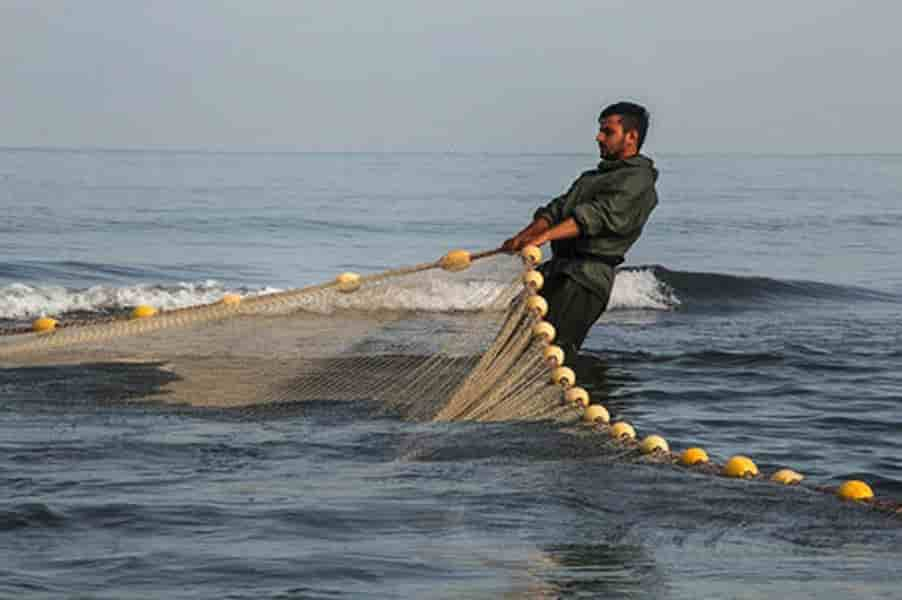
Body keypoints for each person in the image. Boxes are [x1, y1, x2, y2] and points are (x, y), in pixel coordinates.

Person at [502, 101, 659, 360]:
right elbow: (556, 210)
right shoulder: (591, 178)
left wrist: (544, 237)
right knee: (516, 330)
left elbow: (596, 216)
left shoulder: (638, 181)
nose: (598, 137)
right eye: (600, 130)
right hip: (559, 271)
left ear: (631, 137)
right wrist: (524, 236)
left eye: (608, 132)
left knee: (549, 352)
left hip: (585, 281)